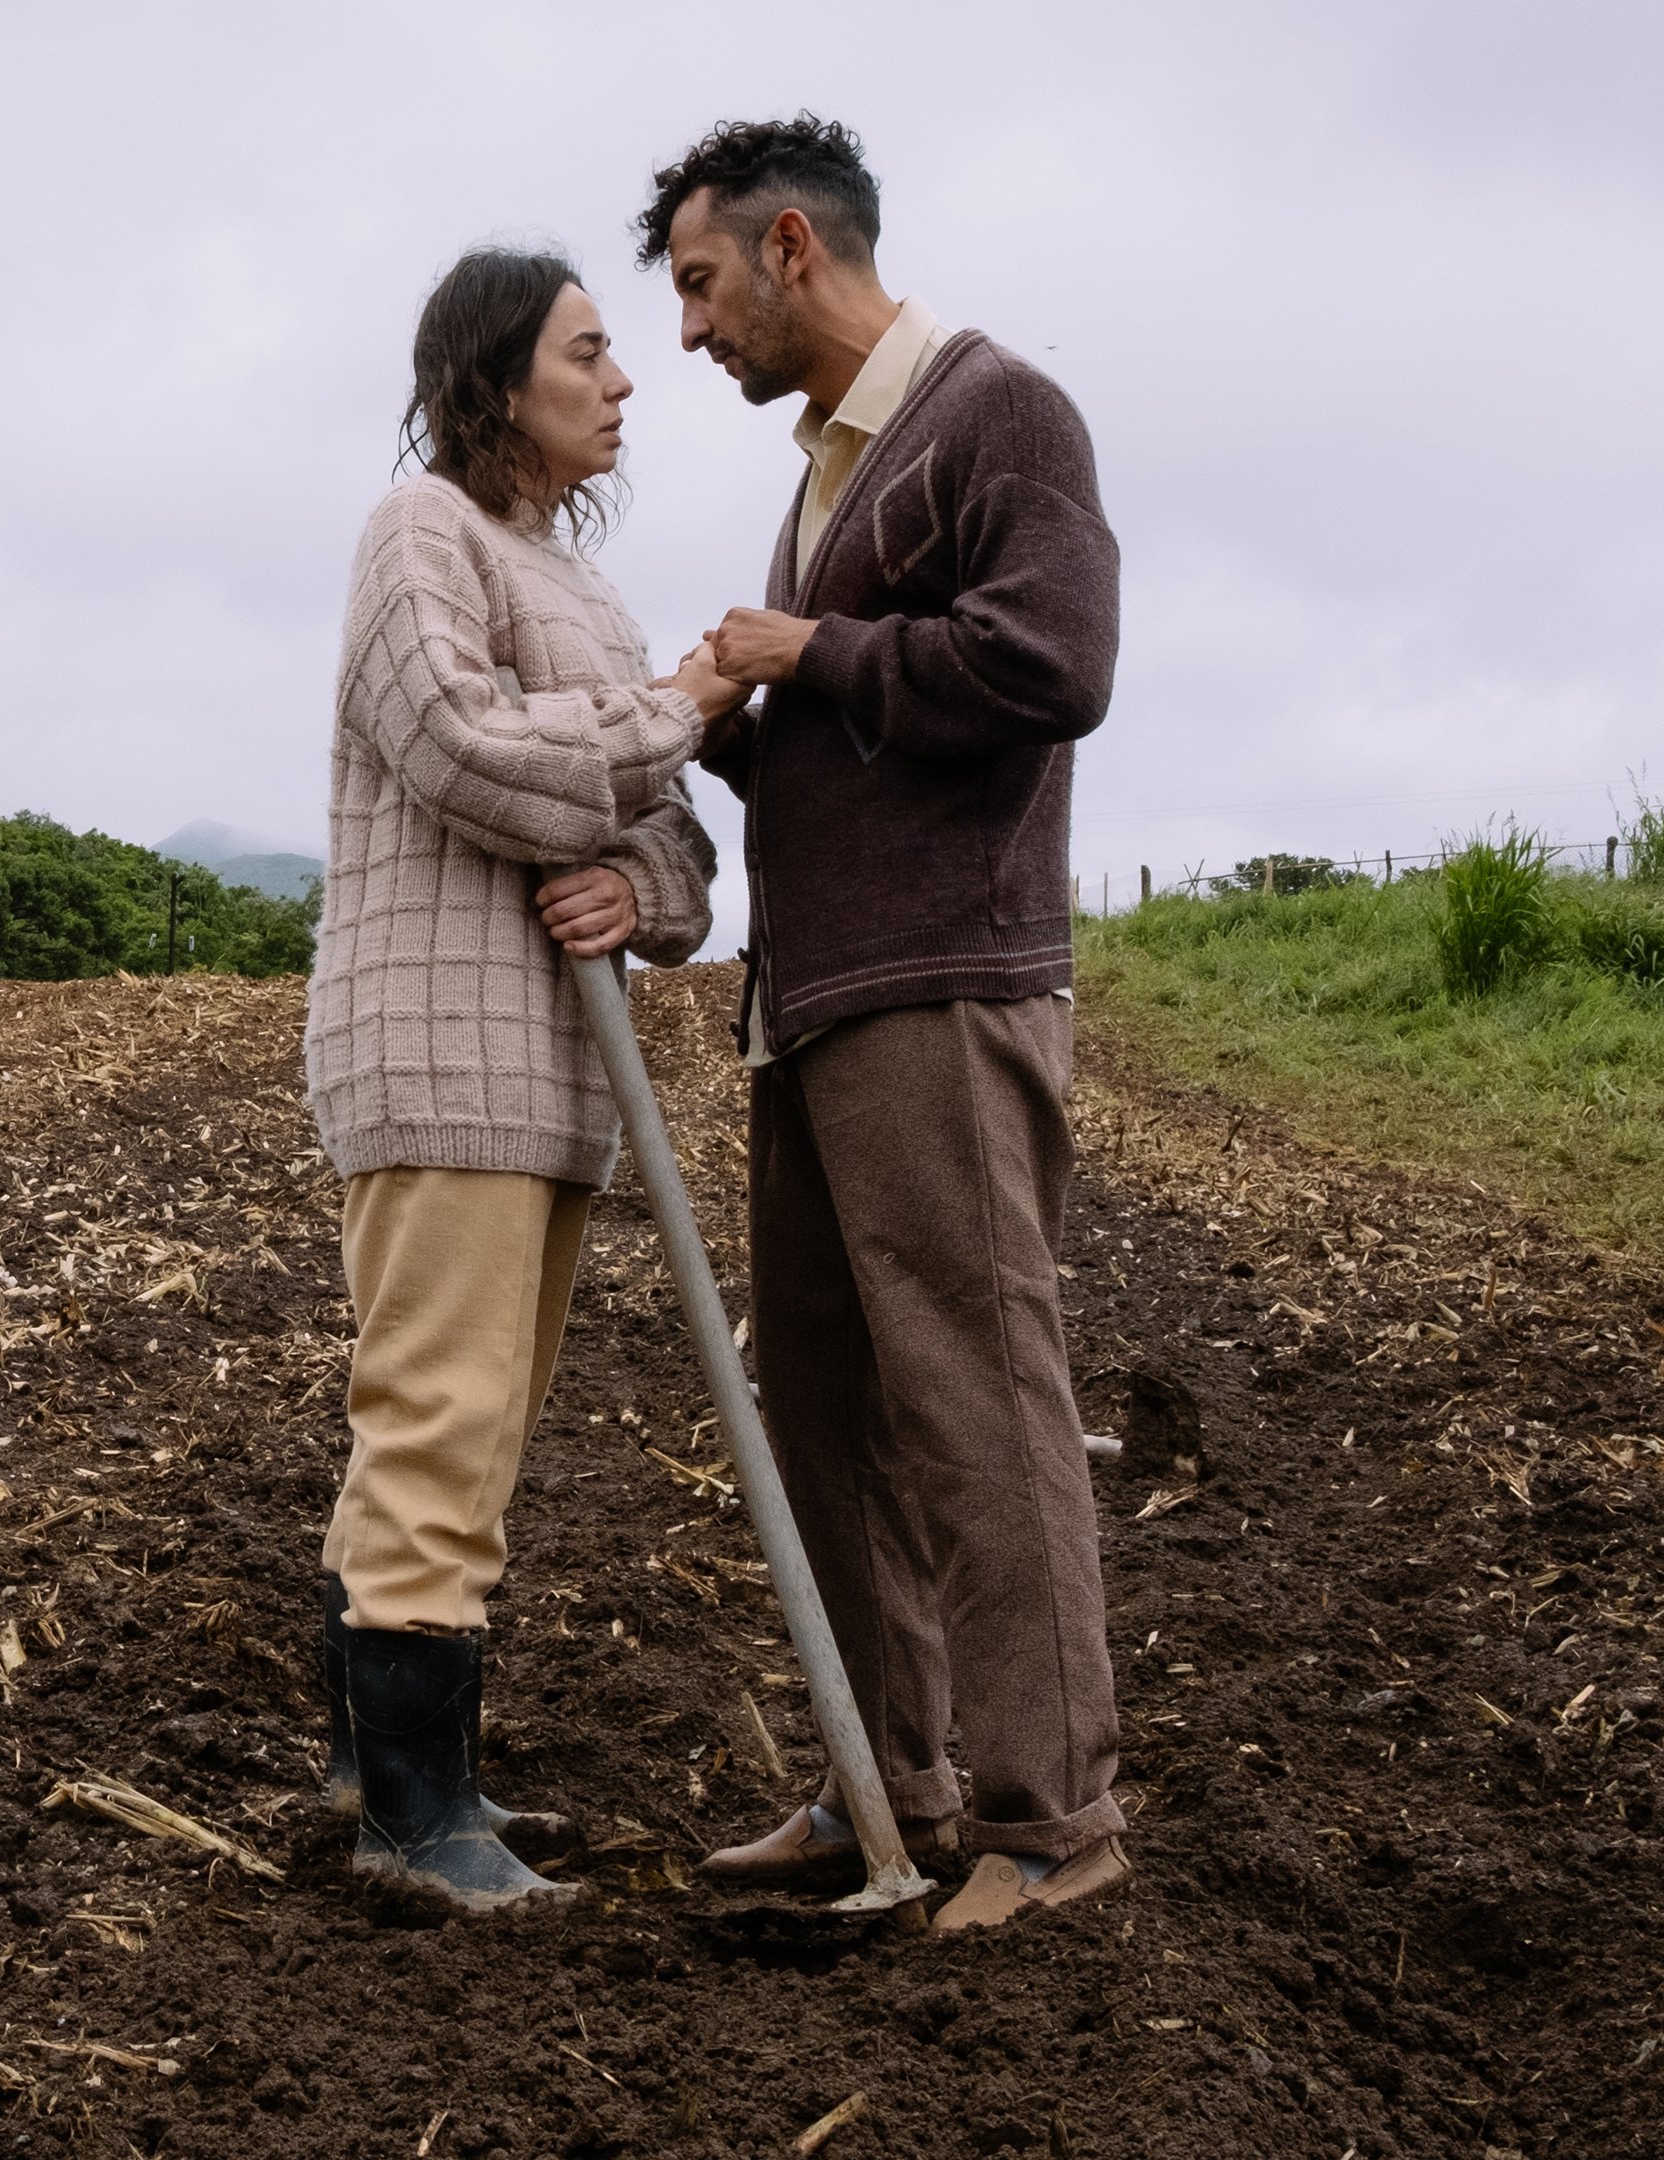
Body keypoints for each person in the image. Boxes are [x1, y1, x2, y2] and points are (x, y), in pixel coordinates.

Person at [636, 115, 1134, 1932]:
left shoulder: (998, 414)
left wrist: (809, 654)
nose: (689, 336)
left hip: (941, 986)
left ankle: (1053, 1816)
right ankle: (888, 1788)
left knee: (979, 1391)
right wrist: (726, 721)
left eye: (696, 286)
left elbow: (1051, 665)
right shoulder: (825, 478)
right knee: (830, 1407)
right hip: (816, 1007)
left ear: (787, 247)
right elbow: (860, 743)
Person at [304, 245, 732, 1912]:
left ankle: (392, 1770)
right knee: (439, 1423)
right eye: (588, 350)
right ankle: (413, 1824)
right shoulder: (421, 534)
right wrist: (672, 713)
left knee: (469, 1435)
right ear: (491, 384)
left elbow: (674, 851)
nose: (624, 380)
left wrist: (644, 886)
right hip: (439, 1050)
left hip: (560, 1081)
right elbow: (465, 751)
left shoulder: (590, 595)